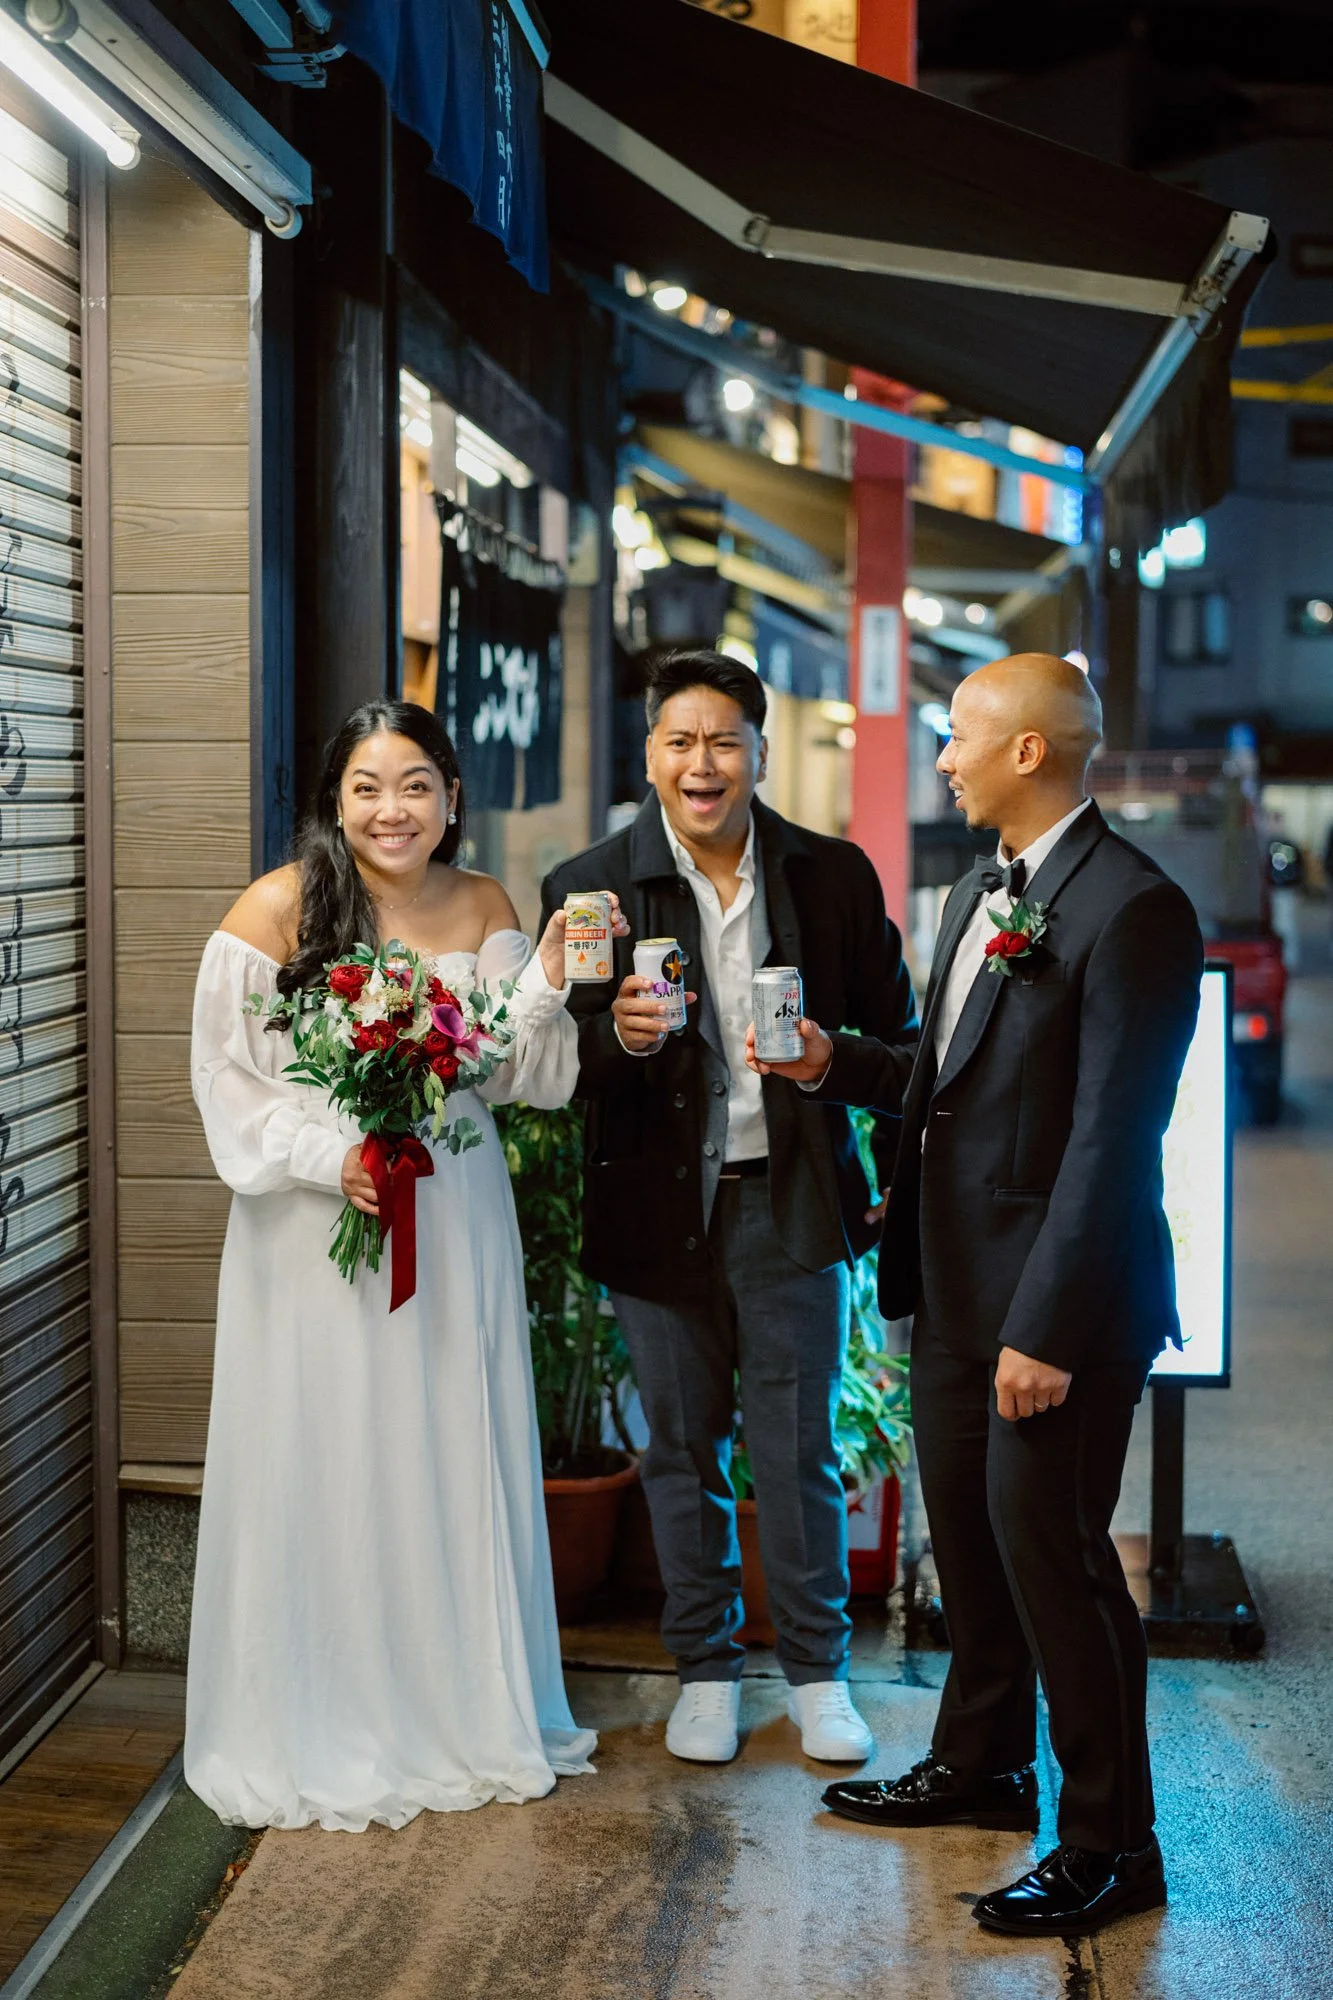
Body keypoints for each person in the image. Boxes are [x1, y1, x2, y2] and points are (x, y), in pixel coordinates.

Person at [758, 654, 1203, 1938]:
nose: (941, 756)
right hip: (949, 1290)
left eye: (957, 737)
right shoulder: (974, 892)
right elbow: (943, 1081)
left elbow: (1114, 1143)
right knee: (976, 1547)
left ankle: (1115, 1844)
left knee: (1061, 1562)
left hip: (1051, 1318)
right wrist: (829, 1060)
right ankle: (984, 1762)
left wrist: (1046, 1332)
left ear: (1026, 753)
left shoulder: (1133, 909)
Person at [186, 700, 616, 1831]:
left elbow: (525, 1071)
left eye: (417, 783)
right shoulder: (275, 910)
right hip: (312, 1228)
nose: (394, 808)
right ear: (335, 796)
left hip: (454, 1205)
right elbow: (227, 1084)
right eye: (370, 785)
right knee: (323, 1444)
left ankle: (454, 1705)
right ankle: (315, 1710)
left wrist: (551, 977)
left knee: (442, 1437)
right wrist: (335, 1157)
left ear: (453, 798)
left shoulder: (481, 904)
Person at [541, 650, 918, 1767]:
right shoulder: (593, 884)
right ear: (649, 754)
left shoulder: (833, 878)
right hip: (655, 1216)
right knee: (677, 1449)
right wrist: (620, 1039)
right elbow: (553, 1069)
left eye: (722, 741)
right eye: (677, 741)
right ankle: (702, 1667)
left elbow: (902, 1053)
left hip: (789, 1205)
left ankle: (816, 1672)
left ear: (760, 749)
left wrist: (821, 1061)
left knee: (795, 1449)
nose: (700, 764)